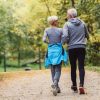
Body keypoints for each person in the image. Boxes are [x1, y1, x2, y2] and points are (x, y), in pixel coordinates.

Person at [62, 8, 89, 94]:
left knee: (73, 67)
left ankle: (74, 86)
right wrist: (83, 40)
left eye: (67, 14)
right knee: (81, 67)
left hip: (72, 48)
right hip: (81, 47)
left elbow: (65, 36)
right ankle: (81, 84)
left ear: (70, 15)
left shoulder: (67, 24)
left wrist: (64, 42)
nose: (67, 15)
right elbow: (87, 35)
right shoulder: (83, 23)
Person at [43, 16, 68, 96]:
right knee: (58, 69)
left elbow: (44, 40)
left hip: (50, 50)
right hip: (58, 50)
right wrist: (61, 42)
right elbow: (64, 37)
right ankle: (55, 83)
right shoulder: (60, 30)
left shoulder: (47, 30)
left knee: (52, 69)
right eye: (57, 21)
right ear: (54, 22)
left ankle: (56, 87)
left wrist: (49, 43)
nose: (58, 22)